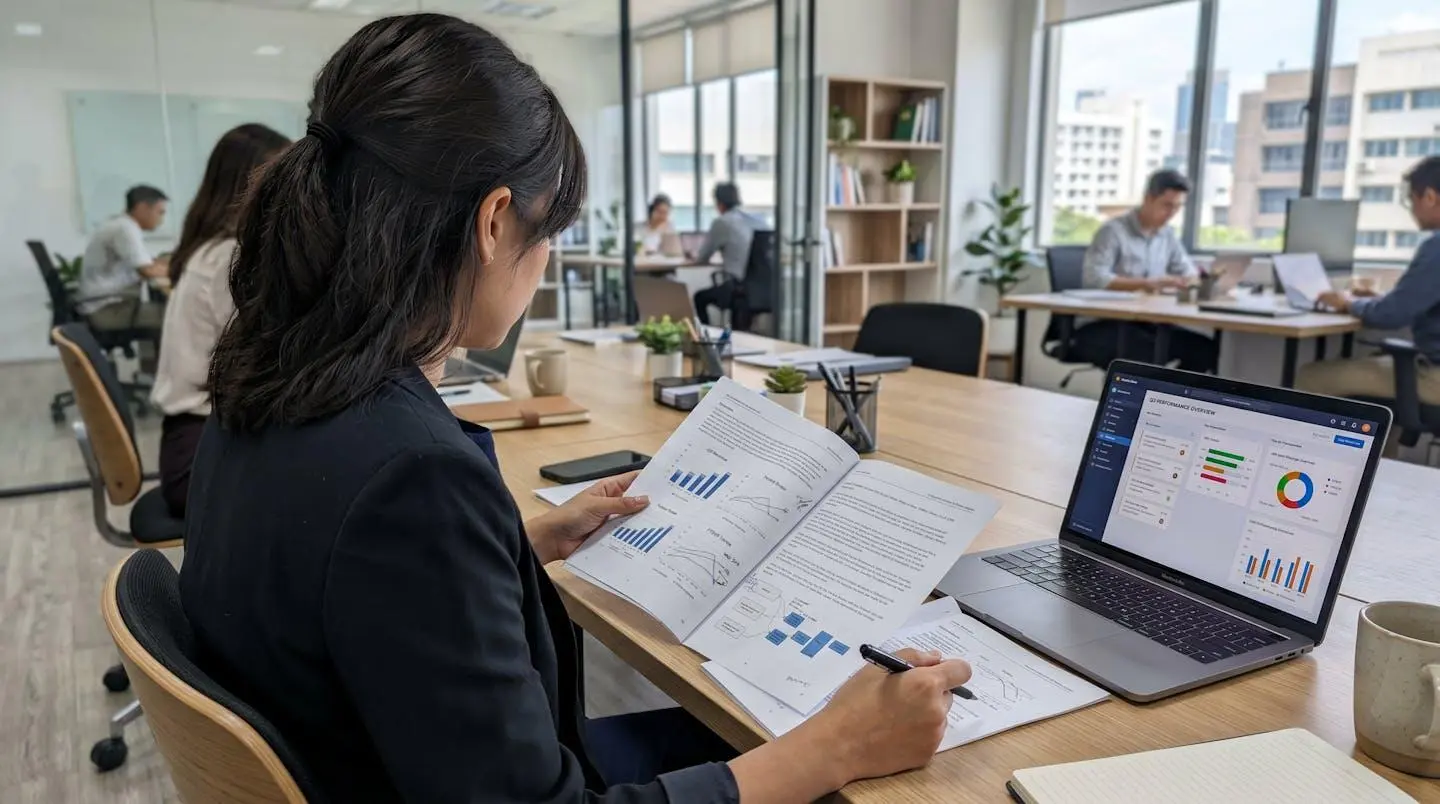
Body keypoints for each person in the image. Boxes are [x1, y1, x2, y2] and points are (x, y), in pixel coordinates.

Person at [181, 14, 969, 803]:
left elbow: (343, 579)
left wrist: (511, 548)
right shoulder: (409, 476)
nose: (548, 252)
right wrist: (838, 745)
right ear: (494, 224)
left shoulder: (271, 380)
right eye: (550, 227)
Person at [150, 123, 292, 517]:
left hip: (193, 441)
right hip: (199, 458)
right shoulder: (229, 259)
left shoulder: (209, 249)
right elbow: (268, 369)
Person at [1301, 156, 1440, 413]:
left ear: (1430, 196)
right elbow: (1417, 302)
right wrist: (1379, 299)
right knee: (1380, 372)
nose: (1411, 209)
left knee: (1311, 377)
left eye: (1412, 200)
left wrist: (1349, 303)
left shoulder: (1436, 247)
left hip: (1436, 378)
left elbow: (1391, 315)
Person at [1075, 169, 1218, 373]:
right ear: (1148, 198)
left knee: (1203, 348)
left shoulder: (1167, 234)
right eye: (1167, 205)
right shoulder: (1113, 231)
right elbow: (1094, 278)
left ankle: (1171, 402)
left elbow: (1186, 270)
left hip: (1147, 323)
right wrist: (1148, 284)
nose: (1172, 213)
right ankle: (1131, 403)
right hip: (1104, 323)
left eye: (1178, 207)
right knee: (1146, 353)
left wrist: (1200, 280)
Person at [79, 184, 170, 331]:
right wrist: (185, 270)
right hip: (108, 310)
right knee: (180, 316)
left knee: (170, 309)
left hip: (107, 304)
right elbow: (147, 271)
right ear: (142, 208)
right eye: (160, 212)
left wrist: (170, 264)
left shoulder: (121, 224)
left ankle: (157, 354)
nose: (161, 219)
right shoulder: (125, 229)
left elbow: (146, 262)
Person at [692, 182, 764, 326]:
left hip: (736, 288)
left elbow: (702, 257)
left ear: (719, 203)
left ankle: (707, 338)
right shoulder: (758, 221)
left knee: (699, 297)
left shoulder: (722, 222)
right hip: (762, 289)